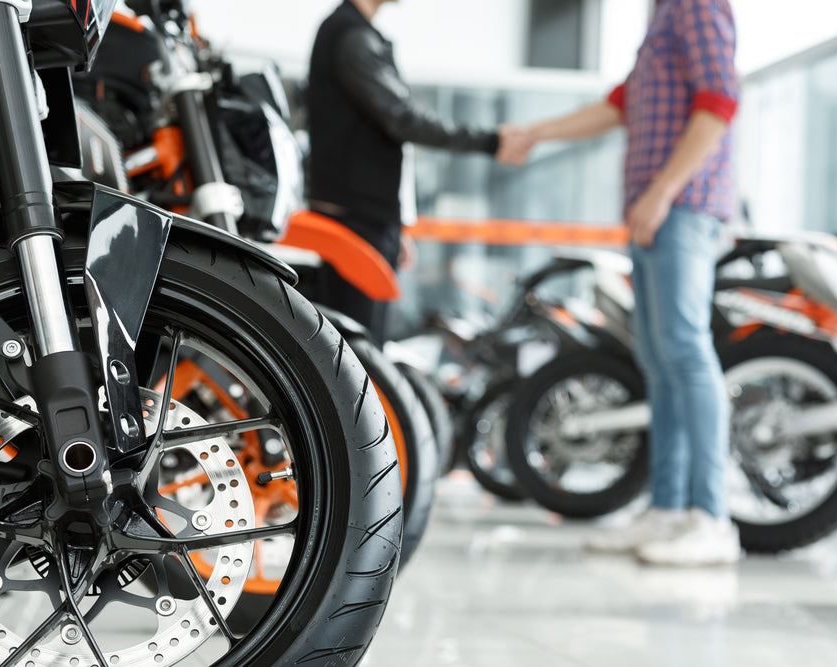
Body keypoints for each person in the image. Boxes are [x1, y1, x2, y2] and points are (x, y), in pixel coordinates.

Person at [499, 0, 740, 566]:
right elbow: (621, 104)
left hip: (680, 207)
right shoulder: (662, 13)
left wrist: (662, 191)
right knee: (659, 359)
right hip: (651, 213)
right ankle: (669, 510)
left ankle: (711, 518)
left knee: (686, 350)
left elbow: (719, 102)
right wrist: (536, 132)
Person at [307, 0, 513, 344]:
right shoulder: (352, 36)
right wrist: (491, 141)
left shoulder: (357, 33)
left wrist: (396, 222)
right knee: (354, 354)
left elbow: (383, 134)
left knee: (361, 348)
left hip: (366, 215)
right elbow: (403, 119)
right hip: (355, 220)